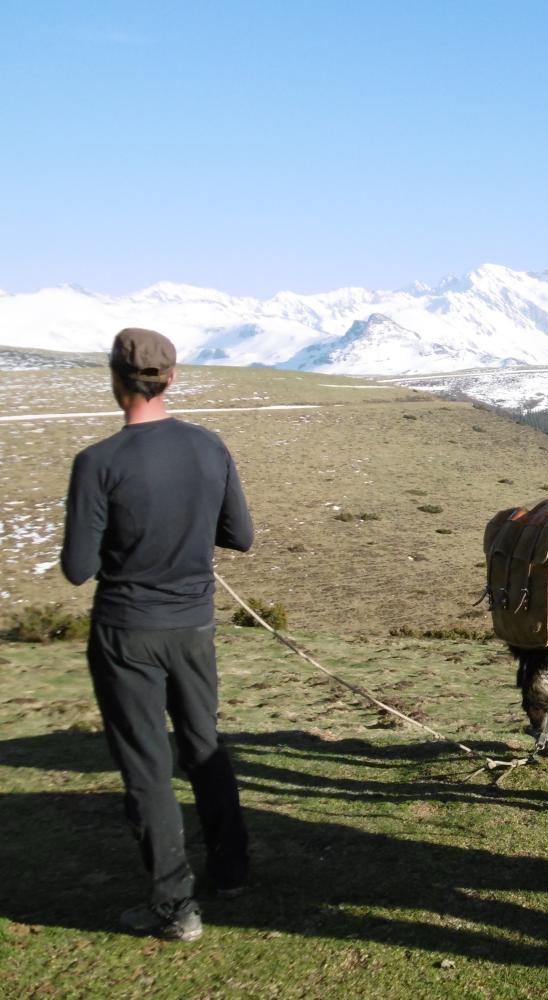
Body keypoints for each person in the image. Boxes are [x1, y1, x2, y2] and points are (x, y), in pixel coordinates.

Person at [61, 328, 253, 942]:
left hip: (126, 630)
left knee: (147, 767)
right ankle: (232, 868)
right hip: (193, 624)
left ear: (115, 380)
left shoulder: (98, 462)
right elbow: (240, 535)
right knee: (204, 744)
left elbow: (77, 568)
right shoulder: (208, 446)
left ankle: (175, 907)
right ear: (171, 378)